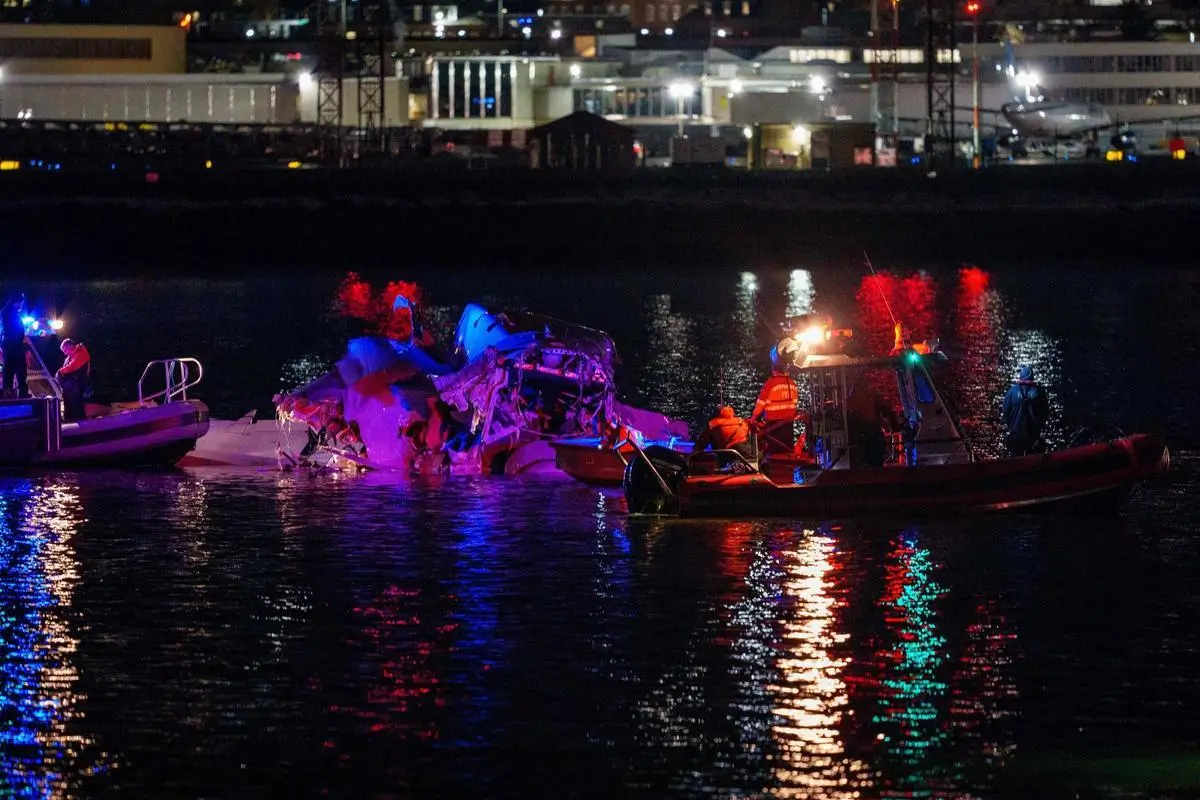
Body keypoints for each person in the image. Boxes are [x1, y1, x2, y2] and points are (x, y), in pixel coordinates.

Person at [846, 380, 900, 469]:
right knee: (876, 452)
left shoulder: (852, 399)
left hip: (857, 434)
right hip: (870, 431)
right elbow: (885, 410)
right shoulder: (872, 396)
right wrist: (894, 425)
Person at [1002, 365, 1050, 456]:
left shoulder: (1012, 392)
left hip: (1016, 434)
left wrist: (1010, 426)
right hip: (1033, 435)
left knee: (1015, 460)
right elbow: (1045, 413)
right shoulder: (1039, 392)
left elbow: (1005, 412)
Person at [752, 366, 800, 455]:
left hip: (773, 423)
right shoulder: (791, 383)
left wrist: (754, 417)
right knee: (787, 449)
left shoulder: (772, 382)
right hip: (788, 421)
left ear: (774, 370)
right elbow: (795, 401)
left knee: (775, 451)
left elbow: (761, 402)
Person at [1, 293, 29, 399]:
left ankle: (9, 393)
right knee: (17, 369)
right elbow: (15, 329)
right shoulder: (10, 313)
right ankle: (20, 394)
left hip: (11, 344)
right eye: (21, 303)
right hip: (13, 345)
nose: (21, 305)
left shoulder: (7, 312)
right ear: (16, 302)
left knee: (10, 369)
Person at [55, 338, 91, 421]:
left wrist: (60, 371)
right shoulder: (69, 357)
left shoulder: (81, 353)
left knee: (77, 407)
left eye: (65, 349)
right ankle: (69, 420)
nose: (64, 352)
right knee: (69, 406)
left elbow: (73, 366)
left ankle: (81, 424)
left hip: (77, 386)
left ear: (70, 346)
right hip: (69, 388)